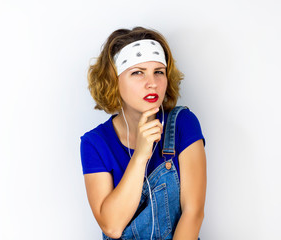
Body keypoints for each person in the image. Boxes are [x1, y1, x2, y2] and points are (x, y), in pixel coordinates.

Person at [80, 26, 207, 240]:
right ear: (113, 80)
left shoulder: (183, 124)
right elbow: (112, 226)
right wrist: (140, 155)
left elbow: (193, 213)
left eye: (159, 72)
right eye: (137, 72)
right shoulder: (95, 143)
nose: (152, 83)